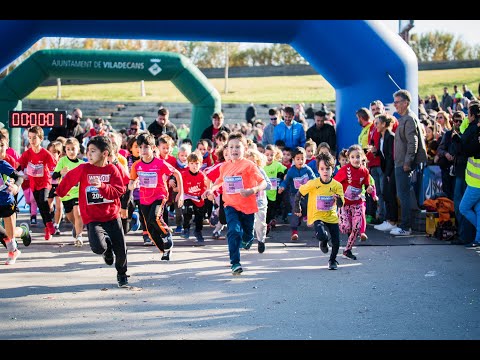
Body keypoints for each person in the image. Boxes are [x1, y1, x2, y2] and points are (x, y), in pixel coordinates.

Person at [56, 136, 130, 288]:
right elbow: (69, 178)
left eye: (93, 151)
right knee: (98, 248)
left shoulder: (112, 169)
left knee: (121, 249)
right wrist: (59, 192)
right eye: (88, 151)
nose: (88, 154)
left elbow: (119, 190)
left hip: (111, 215)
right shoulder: (84, 168)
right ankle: (107, 250)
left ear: (104, 154)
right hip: (92, 217)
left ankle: (122, 274)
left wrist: (102, 186)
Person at [202, 132, 267, 275]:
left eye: (237, 147)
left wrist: (252, 190)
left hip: (248, 207)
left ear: (244, 148)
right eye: (231, 147)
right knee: (233, 231)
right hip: (230, 205)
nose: (234, 150)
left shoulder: (249, 165)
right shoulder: (224, 166)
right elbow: (219, 180)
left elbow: (263, 183)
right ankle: (235, 263)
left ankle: (247, 239)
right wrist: (211, 189)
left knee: (247, 236)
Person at [128, 133, 184, 260]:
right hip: (144, 199)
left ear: (153, 148)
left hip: (159, 195)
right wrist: (133, 184)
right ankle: (165, 250)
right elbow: (131, 183)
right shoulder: (136, 165)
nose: (143, 150)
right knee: (149, 227)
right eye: (140, 147)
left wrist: (181, 193)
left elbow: (177, 174)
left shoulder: (160, 163)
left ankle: (166, 234)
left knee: (155, 217)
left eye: (146, 147)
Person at [295, 151, 344, 270]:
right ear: (318, 170)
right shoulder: (313, 183)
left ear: (333, 169)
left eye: (328, 169)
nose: (325, 171)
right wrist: (297, 206)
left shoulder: (337, 185)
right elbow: (300, 192)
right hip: (317, 215)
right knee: (322, 235)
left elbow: (341, 204)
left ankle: (332, 261)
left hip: (331, 216)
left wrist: (337, 199)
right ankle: (323, 241)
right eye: (322, 169)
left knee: (337, 242)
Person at [390, 89, 427, 236]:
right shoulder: (404, 118)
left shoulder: (409, 119)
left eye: (397, 102)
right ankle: (405, 224)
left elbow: (413, 143)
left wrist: (407, 162)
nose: (395, 105)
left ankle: (405, 227)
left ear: (406, 103)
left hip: (404, 164)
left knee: (403, 195)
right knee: (403, 195)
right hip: (399, 162)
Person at [18, 126, 57, 241]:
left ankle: (49, 224)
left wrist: (60, 171)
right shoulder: (27, 153)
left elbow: (54, 165)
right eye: (30, 138)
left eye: (34, 138)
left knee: (44, 201)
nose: (32, 140)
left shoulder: (45, 153)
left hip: (45, 182)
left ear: (40, 139)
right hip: (33, 183)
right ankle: (47, 227)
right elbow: (19, 164)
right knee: (41, 205)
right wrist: (19, 172)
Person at [334, 144, 372, 260]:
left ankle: (347, 250)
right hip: (344, 204)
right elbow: (334, 183)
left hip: (357, 203)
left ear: (362, 158)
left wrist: (370, 189)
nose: (355, 159)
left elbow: (367, 184)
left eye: (358, 157)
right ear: (349, 158)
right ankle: (343, 225)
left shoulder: (364, 171)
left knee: (356, 226)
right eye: (352, 157)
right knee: (346, 227)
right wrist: (335, 197)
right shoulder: (345, 170)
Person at [0, 133, 31, 264]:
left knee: (10, 235)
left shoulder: (2, 164)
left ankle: (23, 231)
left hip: (6, 203)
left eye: (1, 145)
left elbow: (19, 177)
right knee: (4, 235)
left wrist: (16, 187)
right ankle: (13, 249)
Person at [278, 147, 316, 241]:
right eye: (298, 159)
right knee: (295, 212)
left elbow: (314, 179)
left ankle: (309, 221)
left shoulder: (307, 169)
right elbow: (286, 181)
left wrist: (317, 186)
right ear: (293, 160)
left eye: (302, 158)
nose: (300, 161)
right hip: (294, 195)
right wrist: (282, 187)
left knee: (308, 208)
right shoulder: (291, 171)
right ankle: (294, 232)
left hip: (306, 194)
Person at [52, 137, 85, 247]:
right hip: (66, 194)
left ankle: (79, 236)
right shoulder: (62, 161)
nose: (71, 151)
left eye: (73, 149)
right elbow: (54, 176)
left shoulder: (81, 164)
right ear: (65, 150)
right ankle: (77, 227)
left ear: (78, 149)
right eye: (68, 149)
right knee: (70, 216)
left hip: (77, 193)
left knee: (78, 212)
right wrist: (61, 172)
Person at [459, 101, 480, 247]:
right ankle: (478, 239)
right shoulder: (473, 128)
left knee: (463, 208)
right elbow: (462, 129)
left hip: (476, 182)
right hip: (473, 180)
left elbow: (464, 141)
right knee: (478, 210)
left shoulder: (474, 132)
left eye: (468, 114)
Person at [245, 148, 272, 254]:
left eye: (254, 161)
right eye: (249, 161)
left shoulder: (260, 171)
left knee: (260, 224)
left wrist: (258, 187)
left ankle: (261, 240)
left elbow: (269, 185)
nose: (252, 164)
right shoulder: (243, 172)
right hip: (247, 202)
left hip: (260, 202)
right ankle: (248, 240)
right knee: (248, 223)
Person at [180, 152, 207, 243]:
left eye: (196, 163)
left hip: (198, 198)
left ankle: (198, 232)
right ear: (188, 164)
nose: (194, 166)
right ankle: (186, 228)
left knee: (200, 216)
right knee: (188, 210)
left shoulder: (202, 176)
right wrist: (179, 193)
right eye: (191, 163)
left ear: (201, 164)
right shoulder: (184, 174)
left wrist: (204, 194)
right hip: (188, 196)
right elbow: (179, 183)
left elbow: (205, 187)